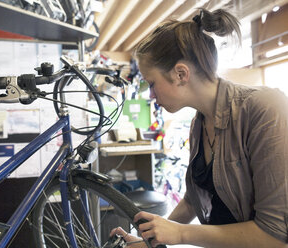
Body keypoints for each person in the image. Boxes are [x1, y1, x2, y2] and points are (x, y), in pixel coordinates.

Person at [111, 8, 288, 248]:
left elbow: (274, 236)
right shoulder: (199, 123)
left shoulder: (264, 109)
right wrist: (149, 241)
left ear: (181, 74)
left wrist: (182, 234)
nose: (151, 95)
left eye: (152, 83)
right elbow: (193, 201)